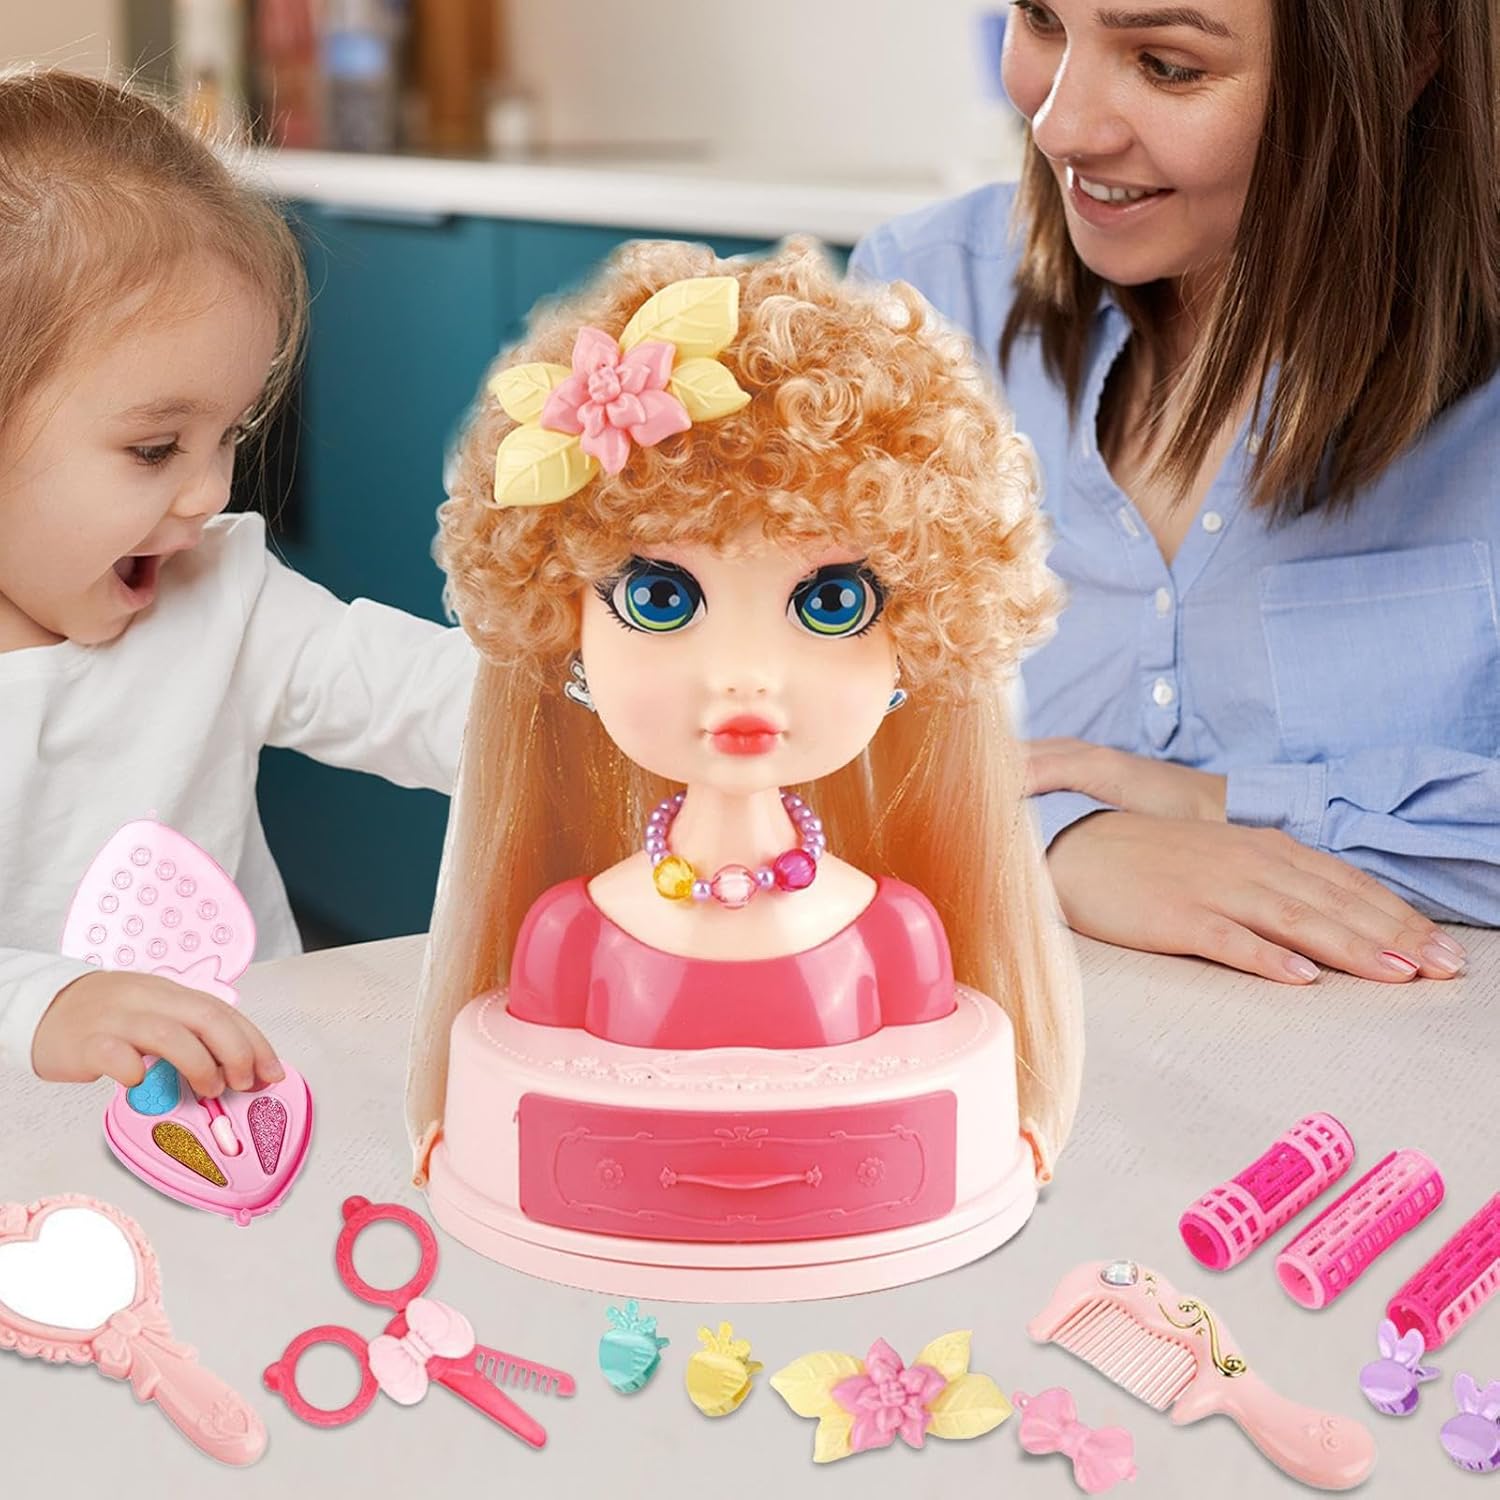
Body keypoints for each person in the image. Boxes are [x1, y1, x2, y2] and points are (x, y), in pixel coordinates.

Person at [406, 238, 1084, 1182]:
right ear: (561, 626)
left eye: (832, 603)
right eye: (660, 599)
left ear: (924, 634)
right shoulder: (567, 940)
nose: (744, 675)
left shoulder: (898, 938)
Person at [850, 0, 1499, 985]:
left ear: (1407, 54)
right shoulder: (927, 301)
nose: (1060, 127)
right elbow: (761, 737)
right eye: (1041, 18)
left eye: (1165, 64)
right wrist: (1054, 839)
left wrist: (1212, 802)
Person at [0, 70, 475, 1093]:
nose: (210, 491)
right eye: (155, 447)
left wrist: (635, 703)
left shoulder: (220, 592)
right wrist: (45, 1005)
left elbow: (433, 699)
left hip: (248, 1128)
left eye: (231, 434)